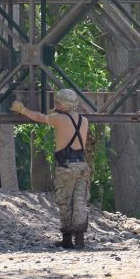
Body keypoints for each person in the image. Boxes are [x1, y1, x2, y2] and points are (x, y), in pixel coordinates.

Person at [12, 89, 90, 249]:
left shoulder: (57, 119)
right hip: (82, 166)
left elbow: (40, 117)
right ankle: (80, 240)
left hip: (66, 166)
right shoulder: (84, 120)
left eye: (58, 102)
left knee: (64, 202)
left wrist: (22, 110)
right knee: (80, 201)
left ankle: (67, 240)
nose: (55, 104)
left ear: (64, 104)